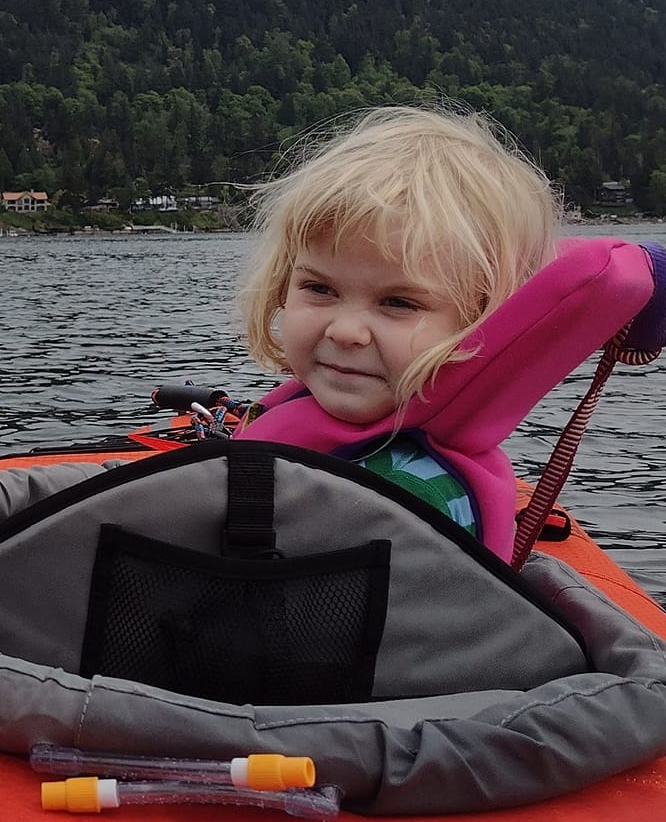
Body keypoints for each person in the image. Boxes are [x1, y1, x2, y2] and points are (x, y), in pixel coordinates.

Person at [228, 105, 559, 533]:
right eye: (320, 289)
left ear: (483, 324)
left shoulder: (407, 500)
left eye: (398, 303)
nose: (345, 331)